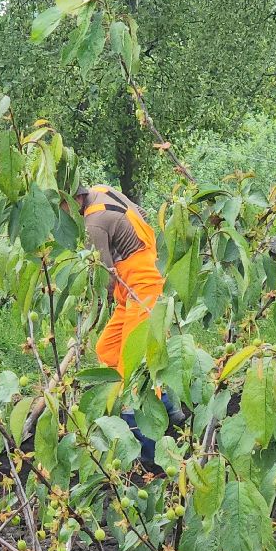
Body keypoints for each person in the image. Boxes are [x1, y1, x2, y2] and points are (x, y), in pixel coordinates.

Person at [75, 183, 179, 466]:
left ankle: (147, 452)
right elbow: (140, 212)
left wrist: (92, 307)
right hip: (130, 290)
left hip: (142, 287)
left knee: (132, 369)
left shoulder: (93, 223)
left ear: (73, 199)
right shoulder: (100, 190)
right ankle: (170, 408)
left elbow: (105, 275)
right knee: (106, 349)